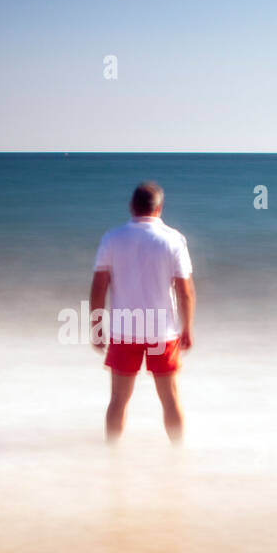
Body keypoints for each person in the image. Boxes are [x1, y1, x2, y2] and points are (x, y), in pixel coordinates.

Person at [89, 181, 195, 443]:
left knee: (118, 400)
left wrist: (96, 327)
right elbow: (186, 291)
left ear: (131, 207)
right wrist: (187, 328)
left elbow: (98, 288)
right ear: (159, 208)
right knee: (170, 399)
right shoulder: (174, 239)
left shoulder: (112, 238)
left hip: (124, 330)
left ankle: (111, 455)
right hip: (163, 331)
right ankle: (179, 455)